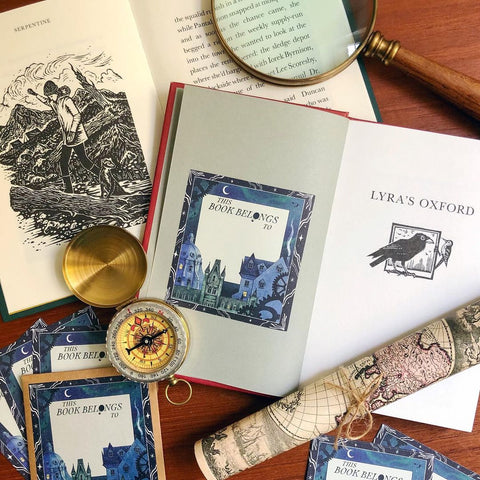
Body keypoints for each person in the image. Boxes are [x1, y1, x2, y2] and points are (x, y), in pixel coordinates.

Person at [28, 80, 99, 193]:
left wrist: (72, 132)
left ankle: (103, 177)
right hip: (68, 137)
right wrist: (35, 94)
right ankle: (69, 189)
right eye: (49, 96)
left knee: (83, 161)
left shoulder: (67, 100)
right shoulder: (54, 103)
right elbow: (46, 101)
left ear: (56, 92)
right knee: (65, 162)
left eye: (51, 95)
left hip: (76, 135)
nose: (50, 98)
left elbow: (77, 116)